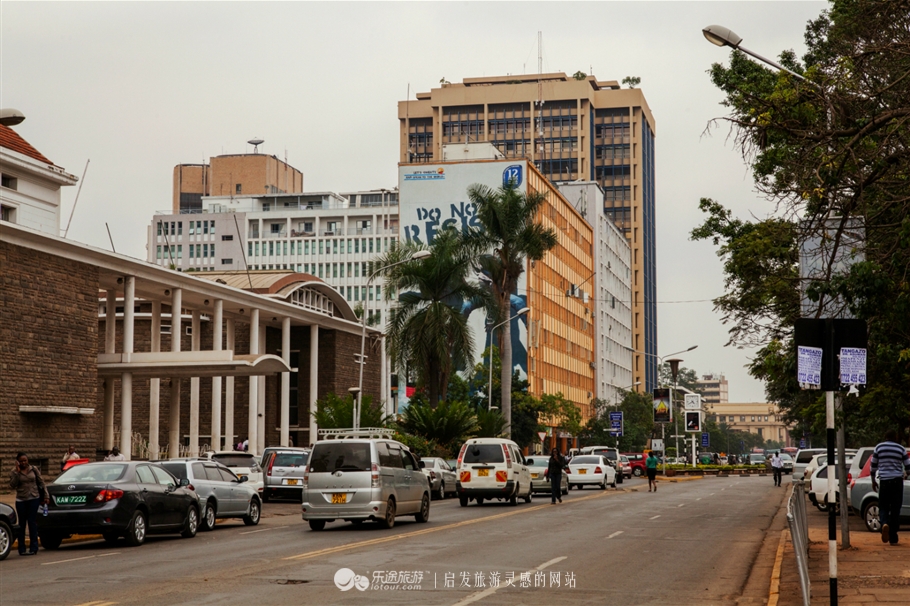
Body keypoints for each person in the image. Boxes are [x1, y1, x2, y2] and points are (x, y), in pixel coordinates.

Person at [871, 429, 910, 545]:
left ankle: (884, 524)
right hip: (897, 482)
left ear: (885, 437)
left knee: (883, 506)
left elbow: (873, 466)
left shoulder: (878, 448)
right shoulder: (901, 449)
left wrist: (873, 481)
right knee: (895, 508)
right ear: (895, 437)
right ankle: (893, 536)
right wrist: (905, 475)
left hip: (884, 481)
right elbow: (908, 467)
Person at [8, 452, 49, 556]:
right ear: (17, 462)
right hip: (21, 500)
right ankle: (21, 549)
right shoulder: (14, 472)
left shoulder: (34, 469)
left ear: (28, 460)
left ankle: (33, 548)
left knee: (32, 523)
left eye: (25, 460)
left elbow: (41, 482)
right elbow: (12, 485)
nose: (23, 462)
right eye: (21, 461)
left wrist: (46, 496)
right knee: (22, 524)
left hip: (34, 498)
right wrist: (17, 473)